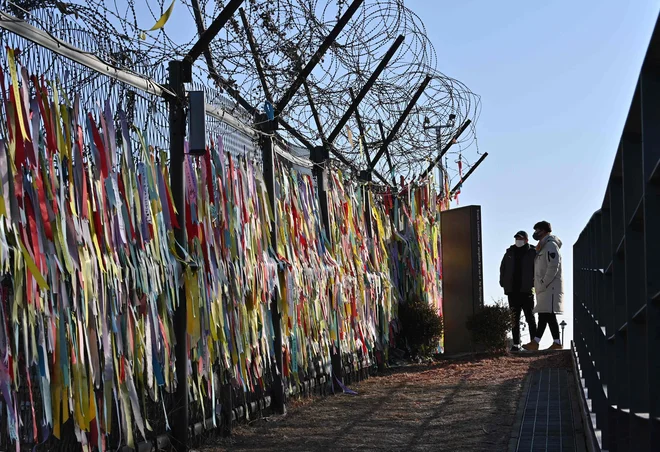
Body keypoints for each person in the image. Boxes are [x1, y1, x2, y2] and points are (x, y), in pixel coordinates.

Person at [523, 221, 564, 351]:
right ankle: (550, 342)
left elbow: (553, 266)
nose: (536, 233)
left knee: (547, 314)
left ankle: (539, 342)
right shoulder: (542, 246)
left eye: (538, 230)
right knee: (545, 314)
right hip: (543, 287)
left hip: (549, 287)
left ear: (545, 231)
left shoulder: (551, 245)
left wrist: (544, 282)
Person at [500, 231, 537, 352]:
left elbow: (538, 268)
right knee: (514, 319)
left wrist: (534, 284)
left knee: (530, 317)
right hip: (512, 291)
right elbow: (503, 267)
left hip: (526, 291)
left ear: (526, 240)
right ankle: (516, 344)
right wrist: (503, 282)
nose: (518, 240)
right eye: (516, 238)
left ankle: (533, 343)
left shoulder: (532, 252)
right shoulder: (509, 252)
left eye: (520, 238)